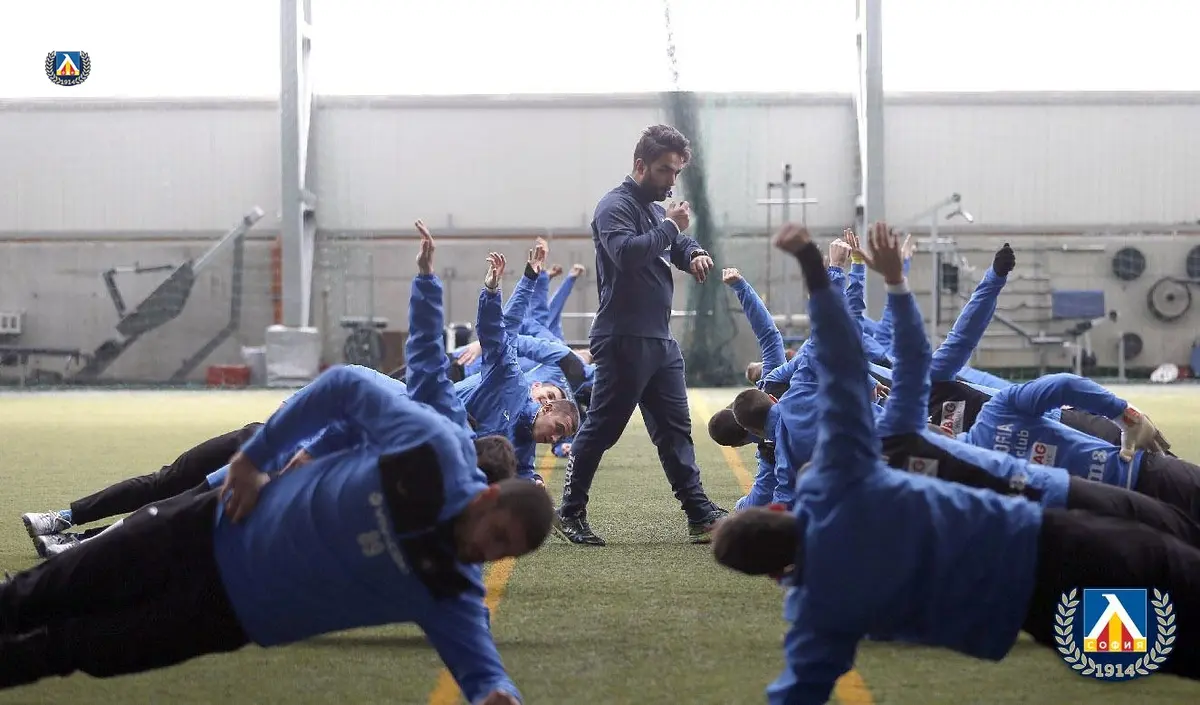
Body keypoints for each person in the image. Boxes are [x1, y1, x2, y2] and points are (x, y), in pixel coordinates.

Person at [711, 222, 1200, 703]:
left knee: (1163, 642)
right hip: (1040, 527)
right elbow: (855, 354)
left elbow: (802, 685)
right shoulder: (859, 463)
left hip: (1025, 611)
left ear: (776, 575)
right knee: (1171, 561)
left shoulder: (822, 607)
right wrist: (832, 270)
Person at [0, 364, 549, 705]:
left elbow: (482, 669)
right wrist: (255, 458)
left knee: (74, 649)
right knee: (49, 589)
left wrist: (498, 693)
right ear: (487, 497)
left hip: (223, 617)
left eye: (505, 552)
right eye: (497, 535)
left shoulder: (451, 586)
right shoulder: (434, 449)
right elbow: (343, 387)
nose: (488, 552)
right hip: (208, 527)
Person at [555, 124, 726, 545]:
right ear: (640, 165)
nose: (671, 181)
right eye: (665, 170)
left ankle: (699, 513)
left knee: (675, 429)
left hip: (659, 340)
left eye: (677, 172)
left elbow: (674, 244)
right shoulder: (614, 206)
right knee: (602, 428)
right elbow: (627, 254)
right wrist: (671, 228)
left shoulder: (653, 210)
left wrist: (693, 251)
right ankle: (570, 512)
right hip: (623, 338)